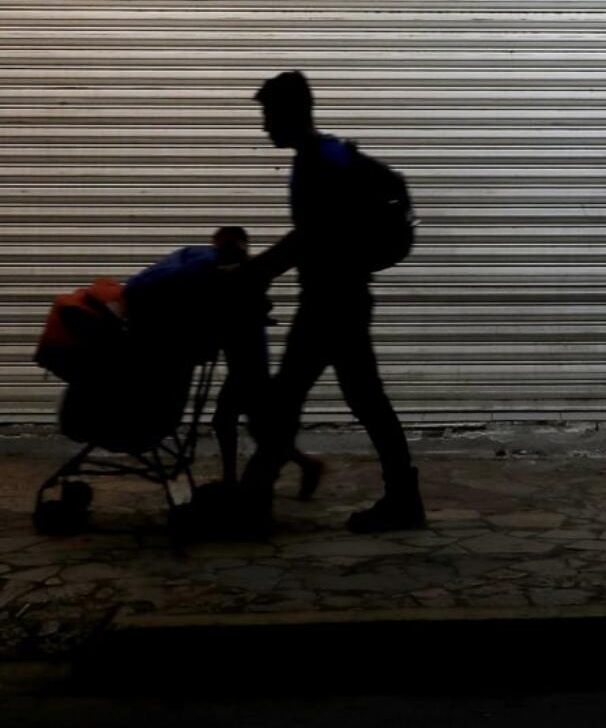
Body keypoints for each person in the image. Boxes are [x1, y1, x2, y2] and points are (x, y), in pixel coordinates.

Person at [238, 71, 425, 533]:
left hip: (330, 302)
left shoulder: (319, 164)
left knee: (292, 399)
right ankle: (402, 497)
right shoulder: (328, 157)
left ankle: (254, 498)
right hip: (340, 297)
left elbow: (309, 237)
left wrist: (257, 271)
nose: (264, 127)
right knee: (354, 400)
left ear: (288, 112)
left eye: (267, 115)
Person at [124, 228, 325, 496]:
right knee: (252, 426)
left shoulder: (232, 277)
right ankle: (297, 466)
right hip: (246, 368)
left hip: (248, 370)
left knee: (236, 423)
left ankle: (269, 473)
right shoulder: (234, 276)